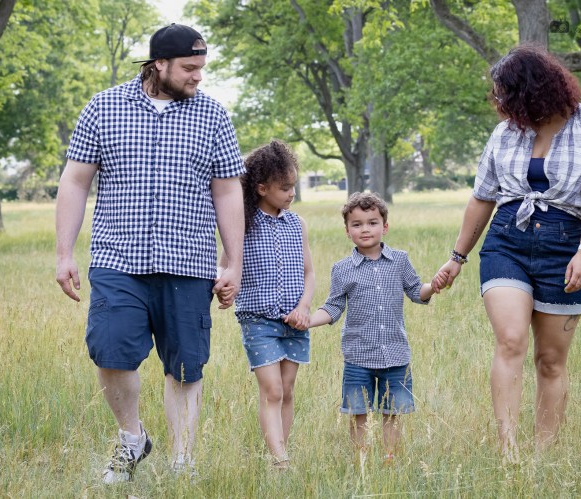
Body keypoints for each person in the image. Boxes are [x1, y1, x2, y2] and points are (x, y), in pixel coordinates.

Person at [55, 24, 245, 482]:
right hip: (118, 259)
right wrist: (64, 253)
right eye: (189, 67)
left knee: (185, 364)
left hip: (188, 261)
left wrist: (233, 261)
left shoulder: (213, 116)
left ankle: (182, 460)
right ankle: (132, 438)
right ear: (159, 64)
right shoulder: (103, 107)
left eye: (202, 67)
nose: (198, 76)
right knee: (109, 351)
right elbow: (75, 181)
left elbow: (227, 192)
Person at [432, 44, 581, 463]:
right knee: (511, 339)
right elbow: (482, 197)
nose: (500, 103)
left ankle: (543, 454)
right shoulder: (506, 132)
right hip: (507, 241)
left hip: (564, 244)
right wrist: (456, 258)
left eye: (506, 94)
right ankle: (509, 451)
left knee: (550, 360)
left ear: (533, 90)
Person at [309, 192, 435, 462]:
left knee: (393, 413)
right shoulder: (342, 269)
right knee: (358, 412)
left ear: (385, 227)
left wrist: (433, 286)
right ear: (347, 231)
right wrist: (308, 321)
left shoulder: (400, 260)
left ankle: (390, 459)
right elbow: (333, 306)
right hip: (358, 355)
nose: (365, 229)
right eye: (357, 224)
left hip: (395, 354)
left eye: (372, 222)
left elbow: (416, 291)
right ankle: (362, 461)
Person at [218, 139, 315, 470]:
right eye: (284, 188)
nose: (291, 194)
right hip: (258, 321)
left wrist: (305, 307)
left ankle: (280, 455)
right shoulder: (242, 223)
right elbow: (225, 266)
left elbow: (309, 272)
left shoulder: (297, 224)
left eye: (293, 186)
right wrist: (224, 288)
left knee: (287, 390)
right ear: (261, 188)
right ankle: (280, 460)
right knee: (272, 390)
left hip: (295, 322)